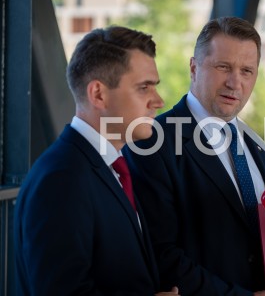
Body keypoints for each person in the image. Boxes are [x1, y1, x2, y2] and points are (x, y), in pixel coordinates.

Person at [124, 17, 265, 296]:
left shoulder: (253, 145)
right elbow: (161, 255)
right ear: (194, 68)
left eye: (247, 71)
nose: (235, 82)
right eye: (224, 67)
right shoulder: (152, 142)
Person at [14, 26, 179, 295]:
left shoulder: (110, 168)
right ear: (98, 94)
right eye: (144, 88)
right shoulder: (62, 179)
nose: (158, 101)